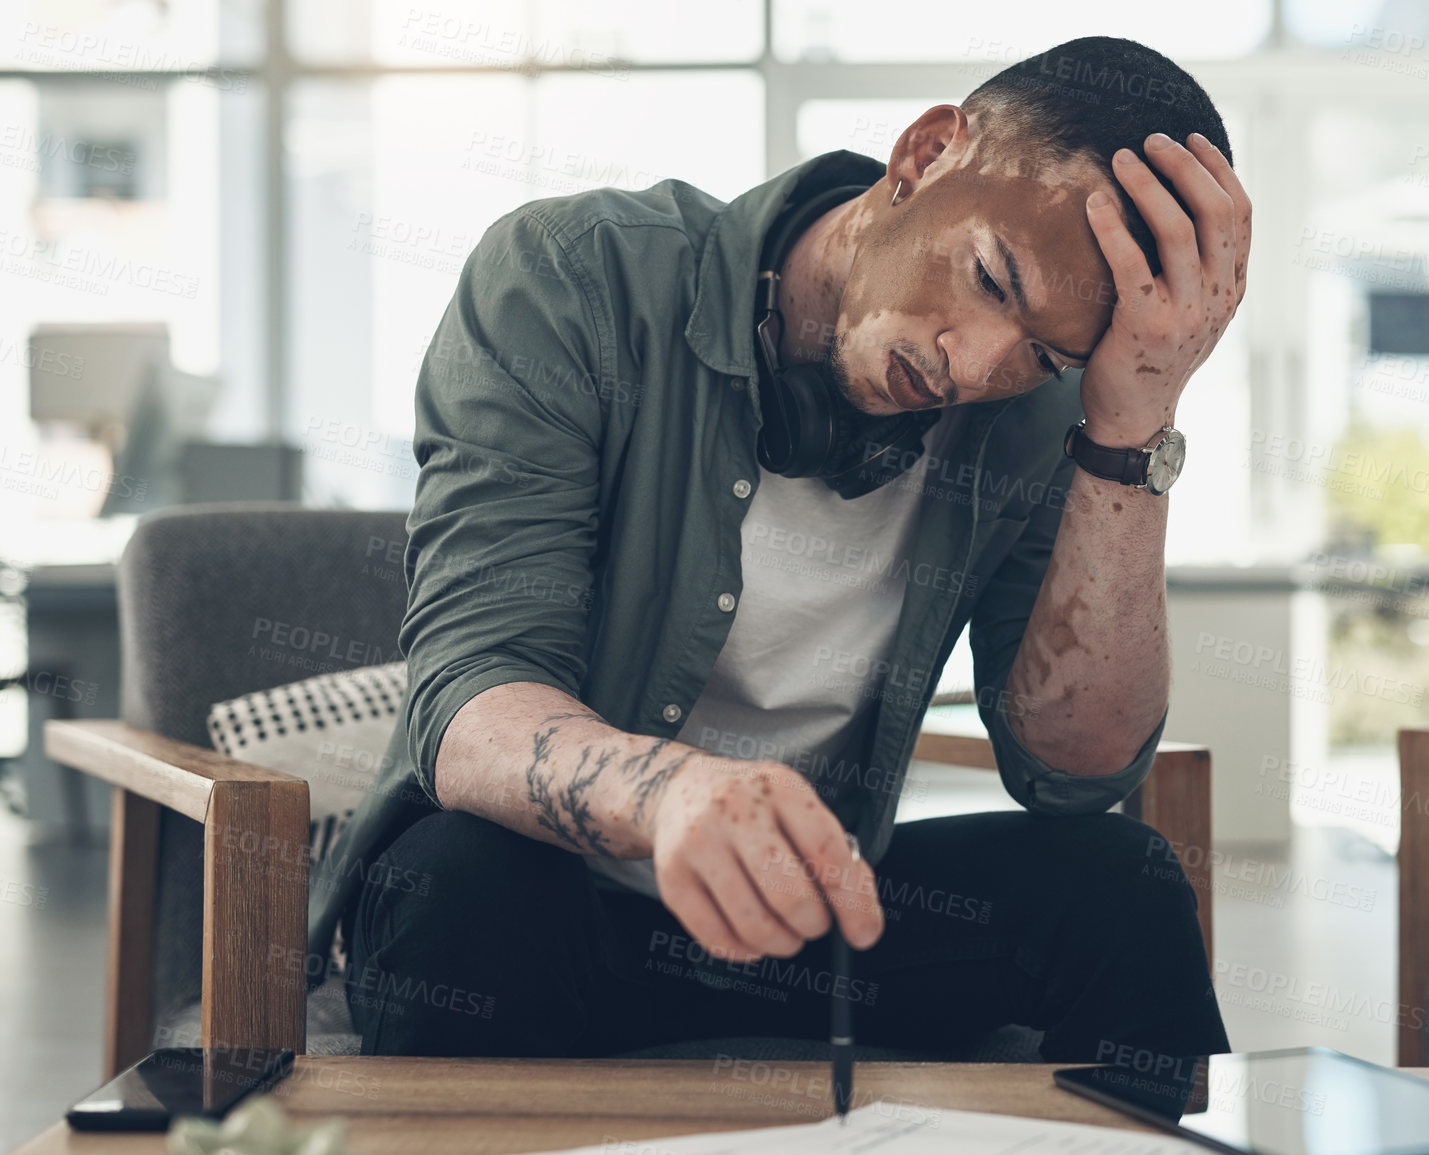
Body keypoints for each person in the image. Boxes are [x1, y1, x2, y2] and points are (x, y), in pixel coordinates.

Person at [307, 33, 1252, 1064]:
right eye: (990, 276)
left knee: (1121, 886)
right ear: (927, 153)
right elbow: (471, 703)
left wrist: (1131, 429)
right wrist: (674, 795)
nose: (974, 367)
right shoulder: (573, 279)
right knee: (459, 888)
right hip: (551, 896)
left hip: (814, 923)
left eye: (1043, 354)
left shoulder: (1034, 421)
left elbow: (1071, 773)